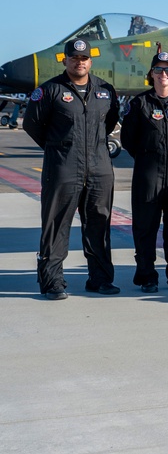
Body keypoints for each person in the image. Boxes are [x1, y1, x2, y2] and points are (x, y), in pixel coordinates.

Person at [24, 37, 120, 299]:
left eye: (84, 58)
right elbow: (32, 125)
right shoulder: (50, 90)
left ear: (90, 61)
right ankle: (52, 282)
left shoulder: (105, 90)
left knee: (99, 224)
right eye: (74, 58)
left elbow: (109, 123)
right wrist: (60, 148)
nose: (79, 62)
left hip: (99, 168)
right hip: (63, 168)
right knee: (56, 225)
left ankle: (100, 279)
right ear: (65, 60)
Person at [120, 51, 168, 293]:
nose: (163, 74)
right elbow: (128, 139)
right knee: (145, 227)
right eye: (158, 70)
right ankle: (147, 277)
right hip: (148, 173)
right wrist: (148, 156)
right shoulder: (139, 103)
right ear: (151, 74)